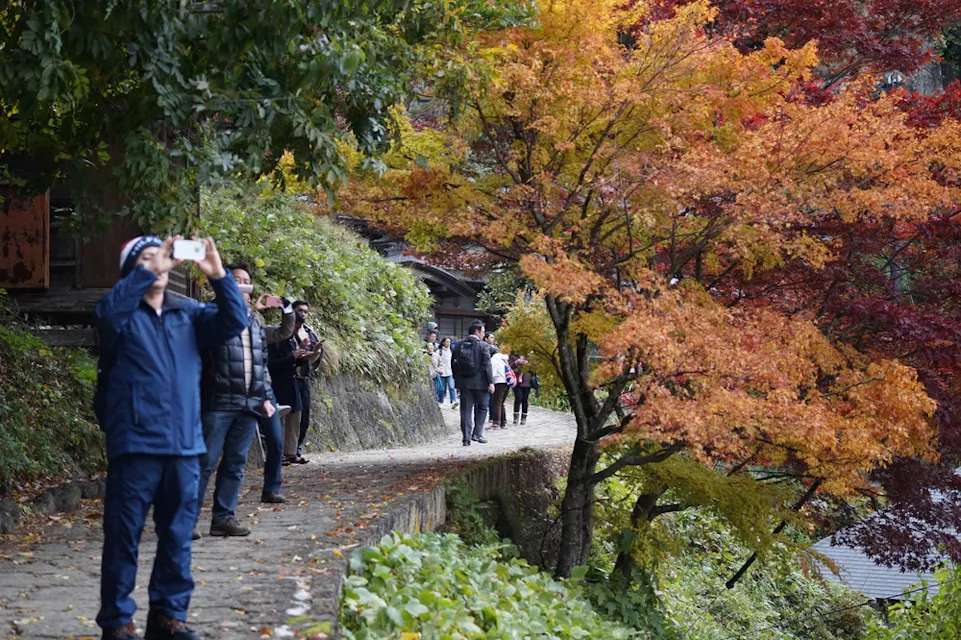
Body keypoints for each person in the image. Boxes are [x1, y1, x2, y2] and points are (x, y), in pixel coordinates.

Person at [93, 235, 246, 640]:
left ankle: (168, 616)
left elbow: (235, 321)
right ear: (133, 271)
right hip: (136, 446)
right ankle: (117, 622)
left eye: (162, 257)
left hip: (185, 447)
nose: (159, 263)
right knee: (123, 537)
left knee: (178, 537)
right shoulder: (121, 317)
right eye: (146, 259)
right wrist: (148, 270)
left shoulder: (188, 315)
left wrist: (218, 275)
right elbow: (106, 316)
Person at [252, 294, 297, 505]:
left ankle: (271, 489)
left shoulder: (259, 330)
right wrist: (253, 309)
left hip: (263, 389)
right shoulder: (222, 318)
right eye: (237, 283)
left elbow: (284, 332)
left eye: (246, 283)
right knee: (221, 449)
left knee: (276, 442)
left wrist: (287, 309)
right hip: (232, 390)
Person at [452, 320, 494, 446]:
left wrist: (458, 381)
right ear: (476, 331)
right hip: (481, 384)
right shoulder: (483, 346)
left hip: (464, 383)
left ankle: (466, 438)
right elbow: (487, 365)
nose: (483, 334)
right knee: (482, 407)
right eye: (482, 332)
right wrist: (490, 382)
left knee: (465, 411)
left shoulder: (458, 345)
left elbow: (453, 364)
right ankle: (477, 434)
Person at [292, 300, 324, 461]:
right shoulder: (284, 331)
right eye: (299, 310)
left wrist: (316, 351)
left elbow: (313, 359)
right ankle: (288, 450)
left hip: (304, 376)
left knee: (305, 414)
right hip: (289, 377)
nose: (302, 313)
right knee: (291, 415)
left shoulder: (310, 332)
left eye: (305, 311)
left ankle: (297, 447)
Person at [490, 345, 511, 430]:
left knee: (496, 403)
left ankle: (496, 423)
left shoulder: (494, 359)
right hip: (507, 382)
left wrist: (490, 382)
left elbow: (493, 373)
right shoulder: (503, 358)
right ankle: (503, 422)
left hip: (499, 382)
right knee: (501, 403)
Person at [510, 354, 533, 425]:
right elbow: (509, 367)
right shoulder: (513, 356)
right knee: (518, 398)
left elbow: (534, 369)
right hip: (516, 381)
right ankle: (516, 417)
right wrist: (516, 362)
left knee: (525, 400)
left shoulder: (530, 356)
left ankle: (524, 418)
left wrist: (528, 364)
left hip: (527, 381)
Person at [435, 337, 457, 409]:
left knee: (451, 387)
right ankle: (441, 401)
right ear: (443, 342)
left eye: (449, 342)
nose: (448, 343)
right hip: (441, 372)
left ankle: (453, 401)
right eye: (447, 342)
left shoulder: (451, 351)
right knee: (441, 388)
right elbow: (436, 361)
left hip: (450, 372)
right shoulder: (439, 351)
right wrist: (437, 369)